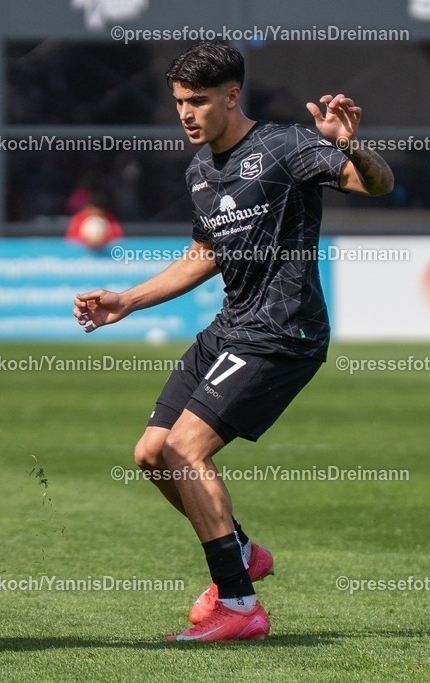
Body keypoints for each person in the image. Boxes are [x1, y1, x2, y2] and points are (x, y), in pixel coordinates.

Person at [73, 42, 393, 642]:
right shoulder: (199, 169)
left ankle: (240, 606)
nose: (186, 114)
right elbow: (206, 254)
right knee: (150, 453)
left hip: (282, 330)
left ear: (231, 96)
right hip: (233, 324)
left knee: (184, 451)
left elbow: (377, 183)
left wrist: (349, 144)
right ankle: (240, 550)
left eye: (197, 102)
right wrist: (127, 300)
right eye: (178, 103)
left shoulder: (286, 147)